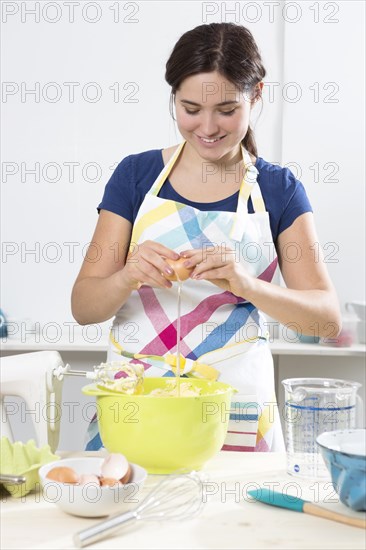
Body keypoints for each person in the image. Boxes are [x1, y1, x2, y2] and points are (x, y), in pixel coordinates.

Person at [71, 22, 341, 452]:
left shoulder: (277, 190)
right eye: (191, 108)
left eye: (227, 109)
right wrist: (125, 277)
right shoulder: (136, 176)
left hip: (235, 407)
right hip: (135, 403)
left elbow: (326, 318)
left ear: (256, 96)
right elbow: (84, 308)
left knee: (236, 516)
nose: (208, 127)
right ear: (173, 98)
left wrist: (246, 285)